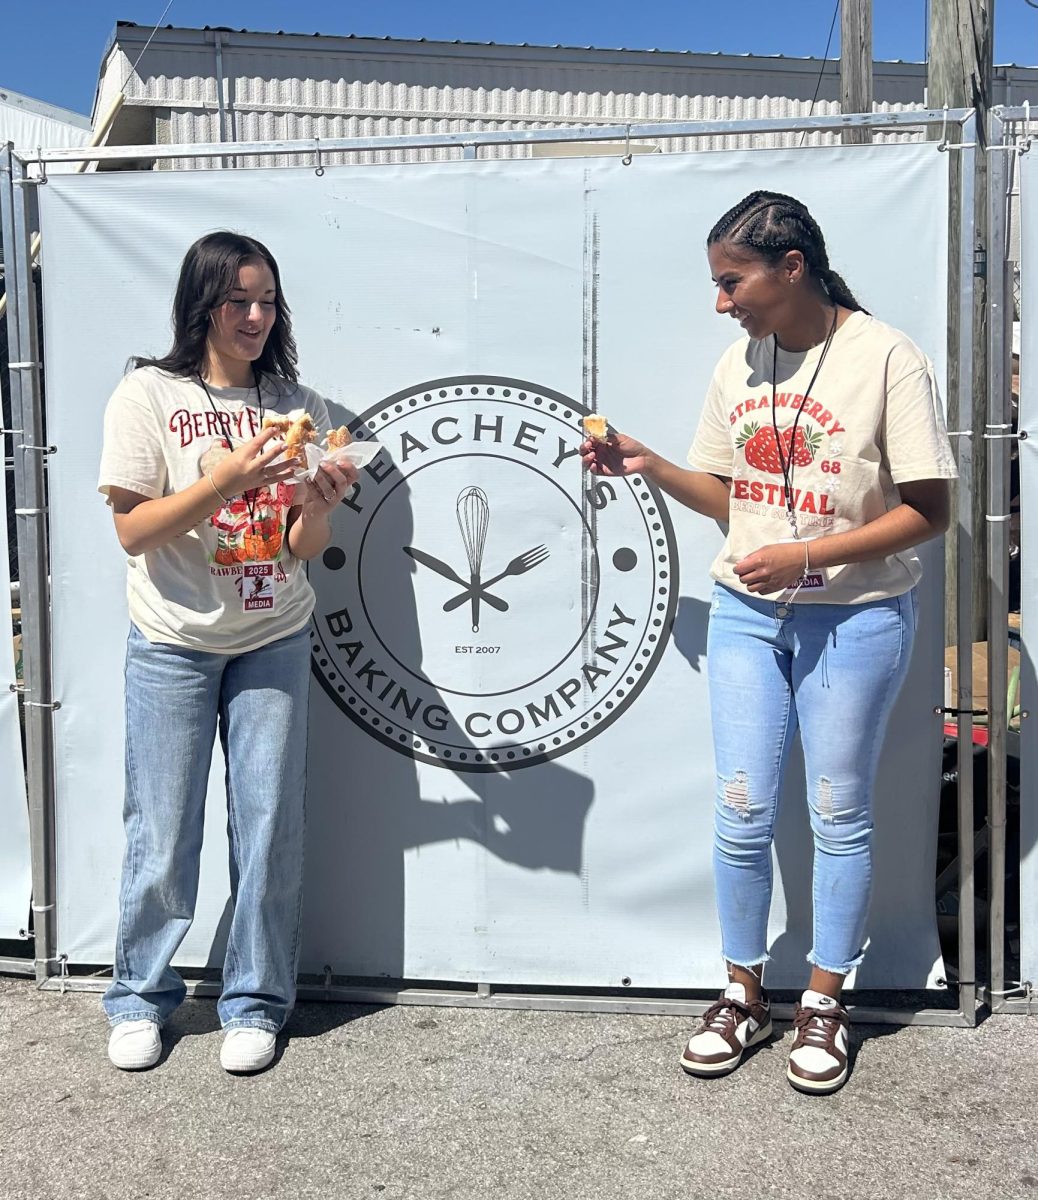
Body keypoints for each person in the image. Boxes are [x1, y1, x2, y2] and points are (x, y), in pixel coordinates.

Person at [582, 191, 956, 1094]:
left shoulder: (886, 358)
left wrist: (810, 556)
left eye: (731, 280)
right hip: (750, 614)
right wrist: (651, 465)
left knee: (838, 813)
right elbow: (735, 501)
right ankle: (742, 992)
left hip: (856, 616)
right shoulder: (739, 365)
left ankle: (824, 1001)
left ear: (792, 266)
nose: (723, 302)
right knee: (743, 809)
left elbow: (929, 511)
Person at [98, 231, 357, 1074]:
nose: (255, 316)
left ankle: (255, 1001)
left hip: (273, 634)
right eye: (238, 300)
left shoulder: (297, 403)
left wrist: (320, 500)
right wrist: (226, 481)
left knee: (269, 826)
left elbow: (299, 545)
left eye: (268, 300)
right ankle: (139, 996)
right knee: (164, 829)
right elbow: (133, 531)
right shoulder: (148, 394)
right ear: (201, 303)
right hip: (172, 640)